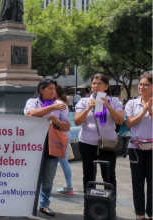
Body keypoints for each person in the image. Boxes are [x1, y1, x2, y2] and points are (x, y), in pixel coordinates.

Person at [24, 79, 70, 217]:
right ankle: (27, 204)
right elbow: (30, 114)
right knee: (31, 176)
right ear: (41, 90)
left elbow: (67, 126)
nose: (53, 91)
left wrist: (57, 121)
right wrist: (51, 109)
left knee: (49, 177)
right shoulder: (33, 102)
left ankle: (44, 205)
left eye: (54, 89)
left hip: (52, 144)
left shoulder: (60, 106)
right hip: (34, 145)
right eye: (50, 88)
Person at [74, 74, 123, 194]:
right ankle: (90, 205)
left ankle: (110, 206)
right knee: (88, 174)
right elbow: (77, 121)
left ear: (106, 86)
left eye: (100, 83)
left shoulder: (114, 101)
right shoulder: (84, 101)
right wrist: (87, 108)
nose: (96, 86)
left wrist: (108, 106)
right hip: (87, 143)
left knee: (109, 175)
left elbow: (120, 121)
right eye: (94, 83)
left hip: (108, 144)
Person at [124, 73, 152, 220]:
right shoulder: (131, 103)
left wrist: (150, 110)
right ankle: (139, 213)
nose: (142, 87)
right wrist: (143, 111)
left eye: (146, 84)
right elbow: (129, 123)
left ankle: (151, 212)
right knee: (137, 181)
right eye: (140, 84)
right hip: (136, 148)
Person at [54, 85, 74, 196]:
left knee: (62, 161)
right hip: (65, 133)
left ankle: (69, 186)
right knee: (63, 161)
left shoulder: (56, 104)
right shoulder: (63, 103)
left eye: (52, 89)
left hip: (60, 134)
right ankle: (68, 186)